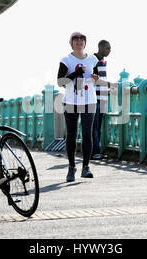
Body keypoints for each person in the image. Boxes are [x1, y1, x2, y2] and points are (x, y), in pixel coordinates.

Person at [57, 32, 110, 182]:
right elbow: (60, 82)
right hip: (71, 101)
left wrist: (96, 78)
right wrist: (75, 74)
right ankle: (71, 167)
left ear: (85, 43)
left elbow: (96, 78)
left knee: (87, 132)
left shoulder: (92, 59)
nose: (79, 41)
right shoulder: (66, 60)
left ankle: (86, 167)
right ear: (71, 43)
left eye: (82, 39)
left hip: (89, 100)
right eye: (76, 38)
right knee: (72, 134)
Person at [91, 40, 111, 160]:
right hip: (94, 98)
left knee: (98, 126)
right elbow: (94, 79)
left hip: (102, 98)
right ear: (100, 47)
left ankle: (97, 151)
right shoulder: (93, 60)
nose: (109, 51)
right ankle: (95, 152)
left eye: (110, 49)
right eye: (107, 48)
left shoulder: (103, 61)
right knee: (94, 126)